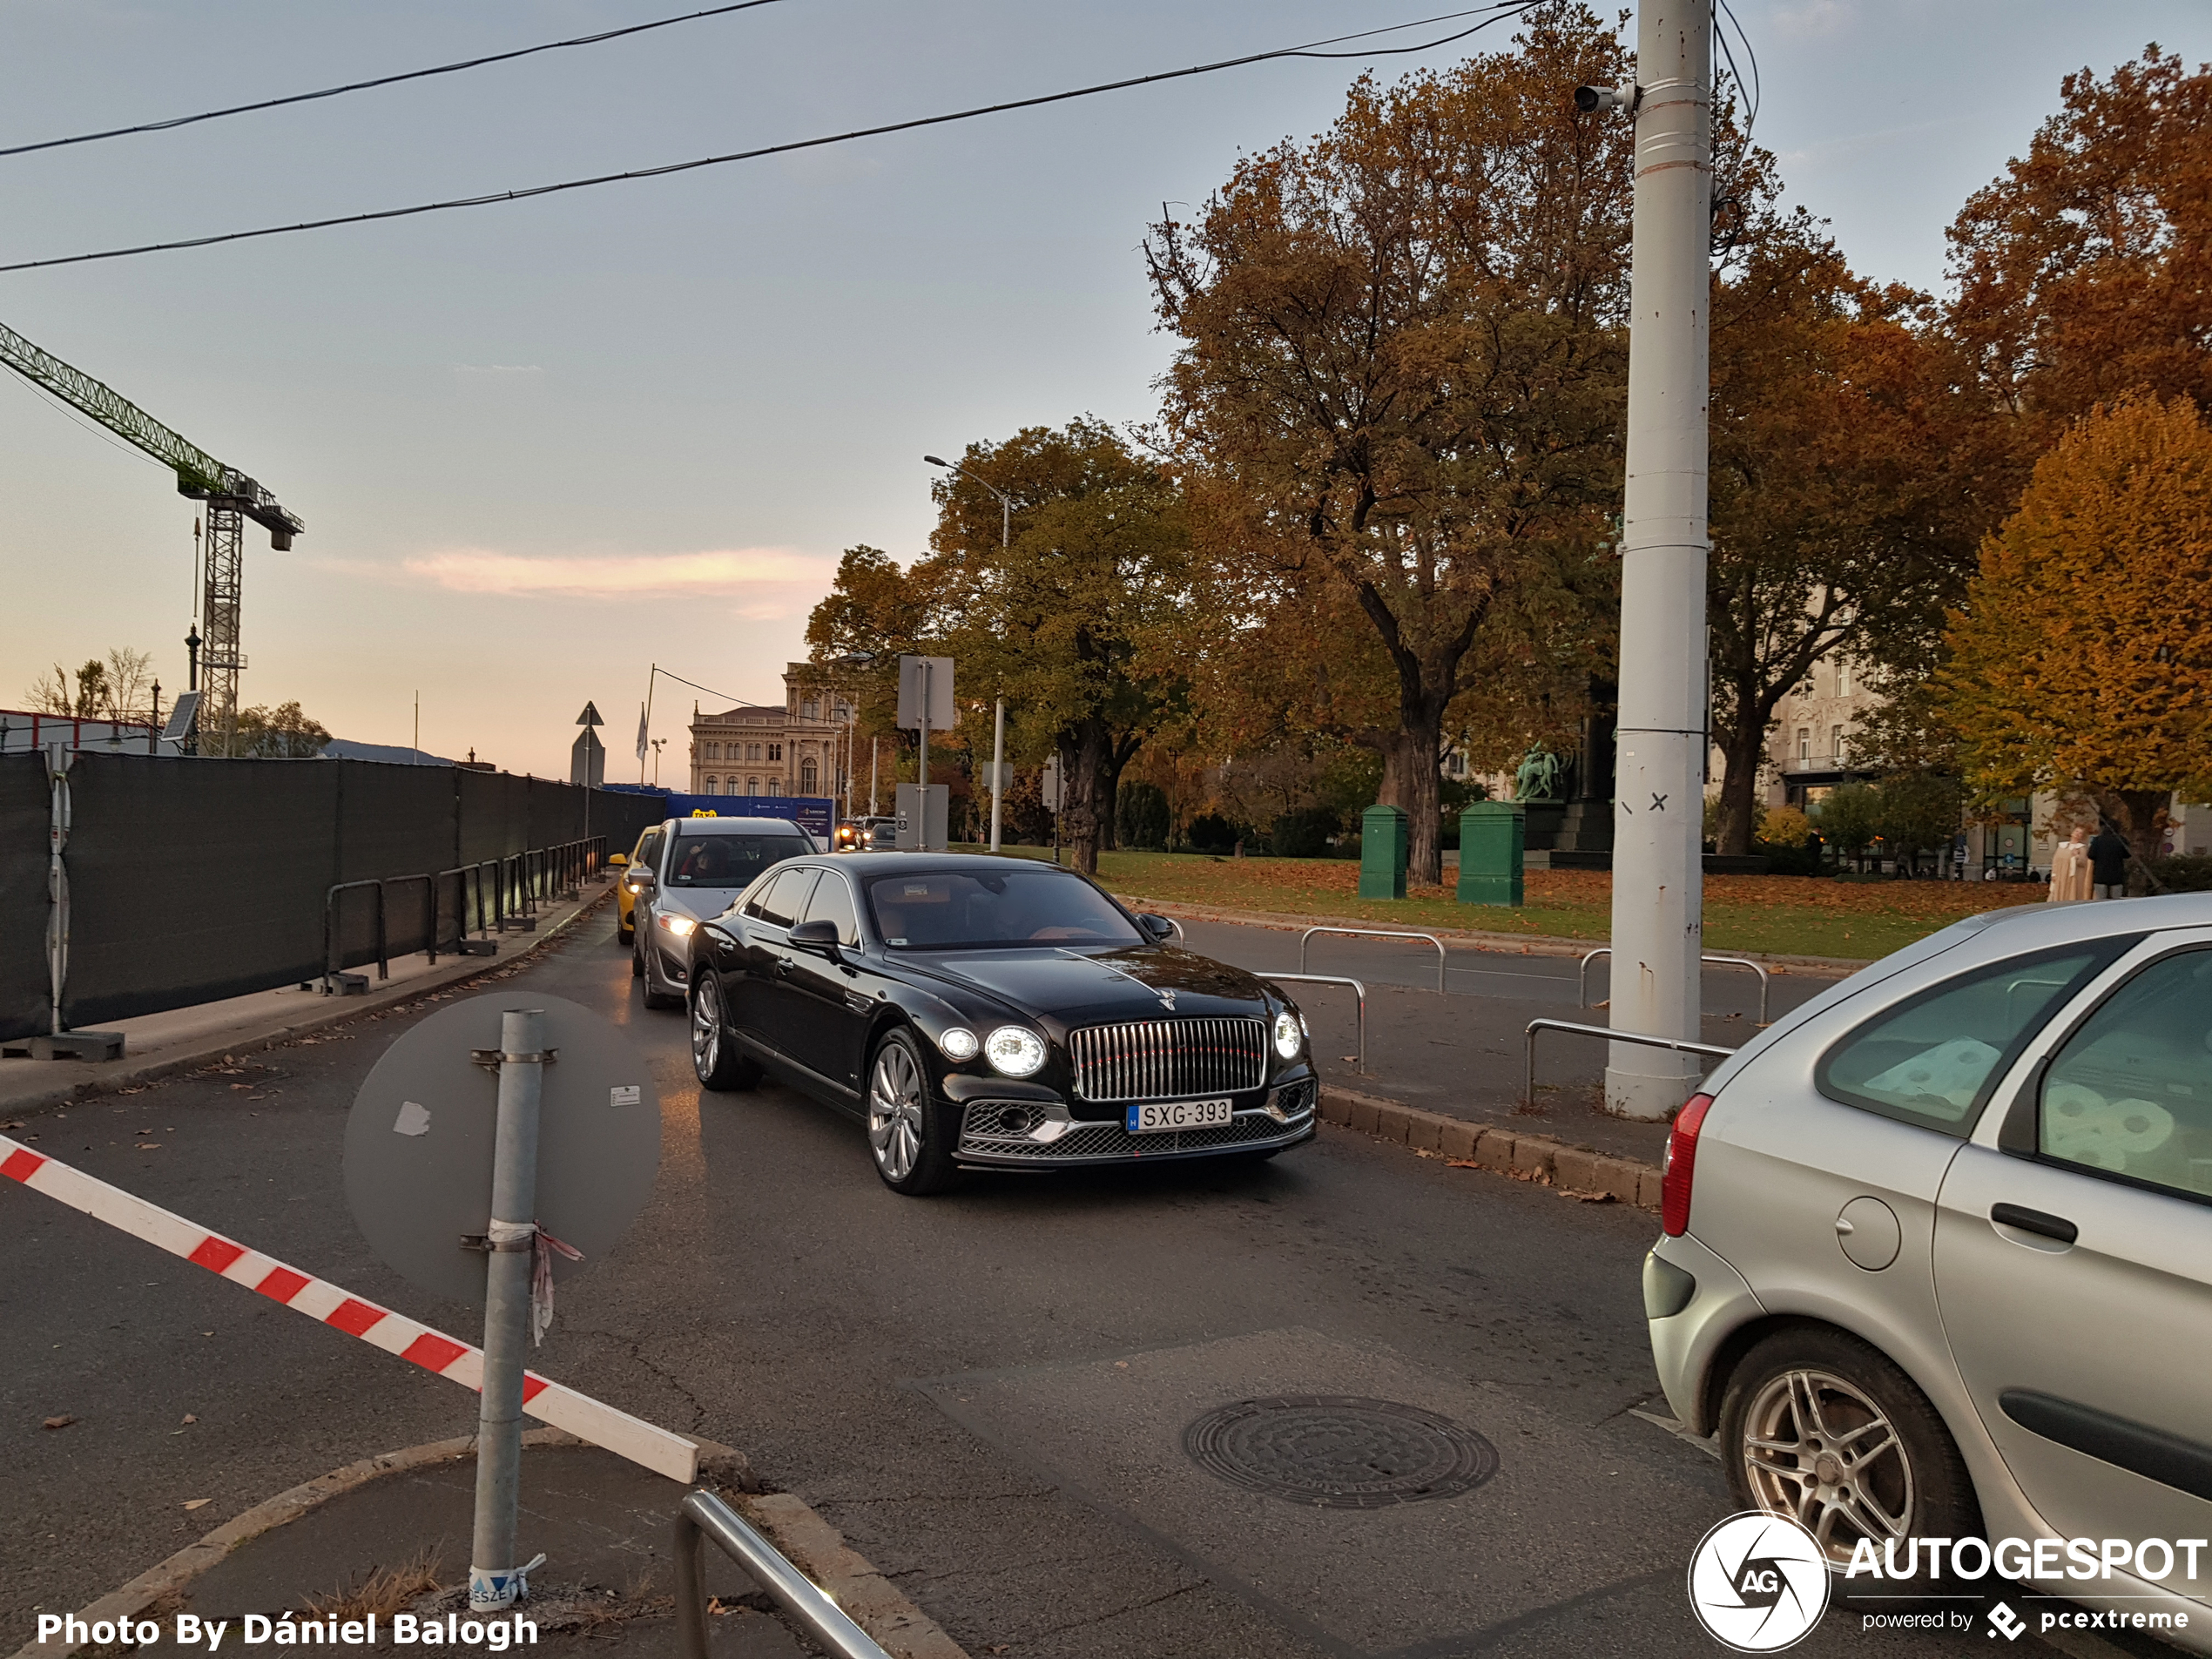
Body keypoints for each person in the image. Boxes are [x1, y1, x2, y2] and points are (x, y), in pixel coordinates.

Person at [2048, 826, 2092, 903]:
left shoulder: (2081, 848)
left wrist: (2076, 856)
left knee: (2071, 892)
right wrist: (2054, 874)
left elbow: (2083, 863)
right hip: (2061, 874)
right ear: (2072, 833)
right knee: (2059, 892)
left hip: (2073, 877)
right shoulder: (2062, 847)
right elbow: (2055, 861)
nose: (2078, 834)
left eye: (2080, 833)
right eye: (2076, 831)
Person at [2087, 824, 2131, 900]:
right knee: (2116, 900)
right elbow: (2127, 855)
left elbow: (2090, 855)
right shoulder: (2121, 840)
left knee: (2101, 899)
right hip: (2116, 874)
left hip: (2100, 874)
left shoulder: (2097, 840)